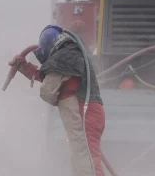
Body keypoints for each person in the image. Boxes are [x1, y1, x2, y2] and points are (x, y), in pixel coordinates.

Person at [9, 25, 105, 176]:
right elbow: (48, 76)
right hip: (89, 114)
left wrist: (56, 100)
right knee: (81, 159)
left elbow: (47, 91)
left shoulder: (64, 58)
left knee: (86, 162)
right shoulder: (71, 56)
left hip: (83, 115)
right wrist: (24, 67)